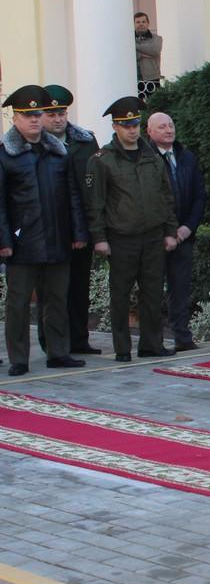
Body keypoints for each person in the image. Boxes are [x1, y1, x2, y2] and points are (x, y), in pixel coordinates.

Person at [0, 85, 89, 375]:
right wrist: (4, 240)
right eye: (28, 116)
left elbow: (72, 195)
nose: (35, 121)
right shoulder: (6, 155)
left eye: (38, 115)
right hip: (22, 242)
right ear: (15, 119)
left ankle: (58, 352)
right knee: (18, 304)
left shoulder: (57, 151)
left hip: (57, 238)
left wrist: (77, 233)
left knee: (56, 300)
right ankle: (19, 358)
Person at [88, 96, 178, 362]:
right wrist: (99, 238)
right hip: (122, 237)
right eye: (126, 125)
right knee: (121, 294)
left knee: (152, 293)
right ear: (116, 127)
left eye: (135, 124)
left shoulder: (152, 156)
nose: (132, 130)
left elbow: (166, 195)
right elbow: (96, 204)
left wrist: (170, 231)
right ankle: (122, 348)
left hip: (152, 235)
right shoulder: (102, 159)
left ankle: (152, 344)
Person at [38, 84, 101, 355]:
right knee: (51, 290)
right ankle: (51, 342)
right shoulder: (34, 143)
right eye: (51, 113)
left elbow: (96, 184)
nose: (57, 118)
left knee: (78, 285)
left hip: (82, 226)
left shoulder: (86, 142)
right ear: (40, 115)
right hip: (49, 227)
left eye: (61, 112)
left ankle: (79, 338)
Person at [147, 112, 206, 351]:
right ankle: (153, 340)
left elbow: (199, 196)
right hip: (156, 236)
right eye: (162, 127)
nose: (169, 130)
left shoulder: (186, 157)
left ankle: (182, 336)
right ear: (150, 132)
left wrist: (187, 228)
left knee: (180, 289)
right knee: (152, 290)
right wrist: (167, 231)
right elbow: (151, 200)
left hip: (184, 235)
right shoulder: (146, 158)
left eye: (171, 125)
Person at [134, 12, 163, 100]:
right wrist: (143, 54)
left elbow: (155, 51)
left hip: (152, 79)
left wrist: (135, 47)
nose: (141, 24)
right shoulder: (127, 39)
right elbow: (129, 56)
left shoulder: (157, 38)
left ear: (148, 23)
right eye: (138, 22)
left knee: (153, 106)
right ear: (134, 24)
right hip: (135, 79)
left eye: (143, 21)